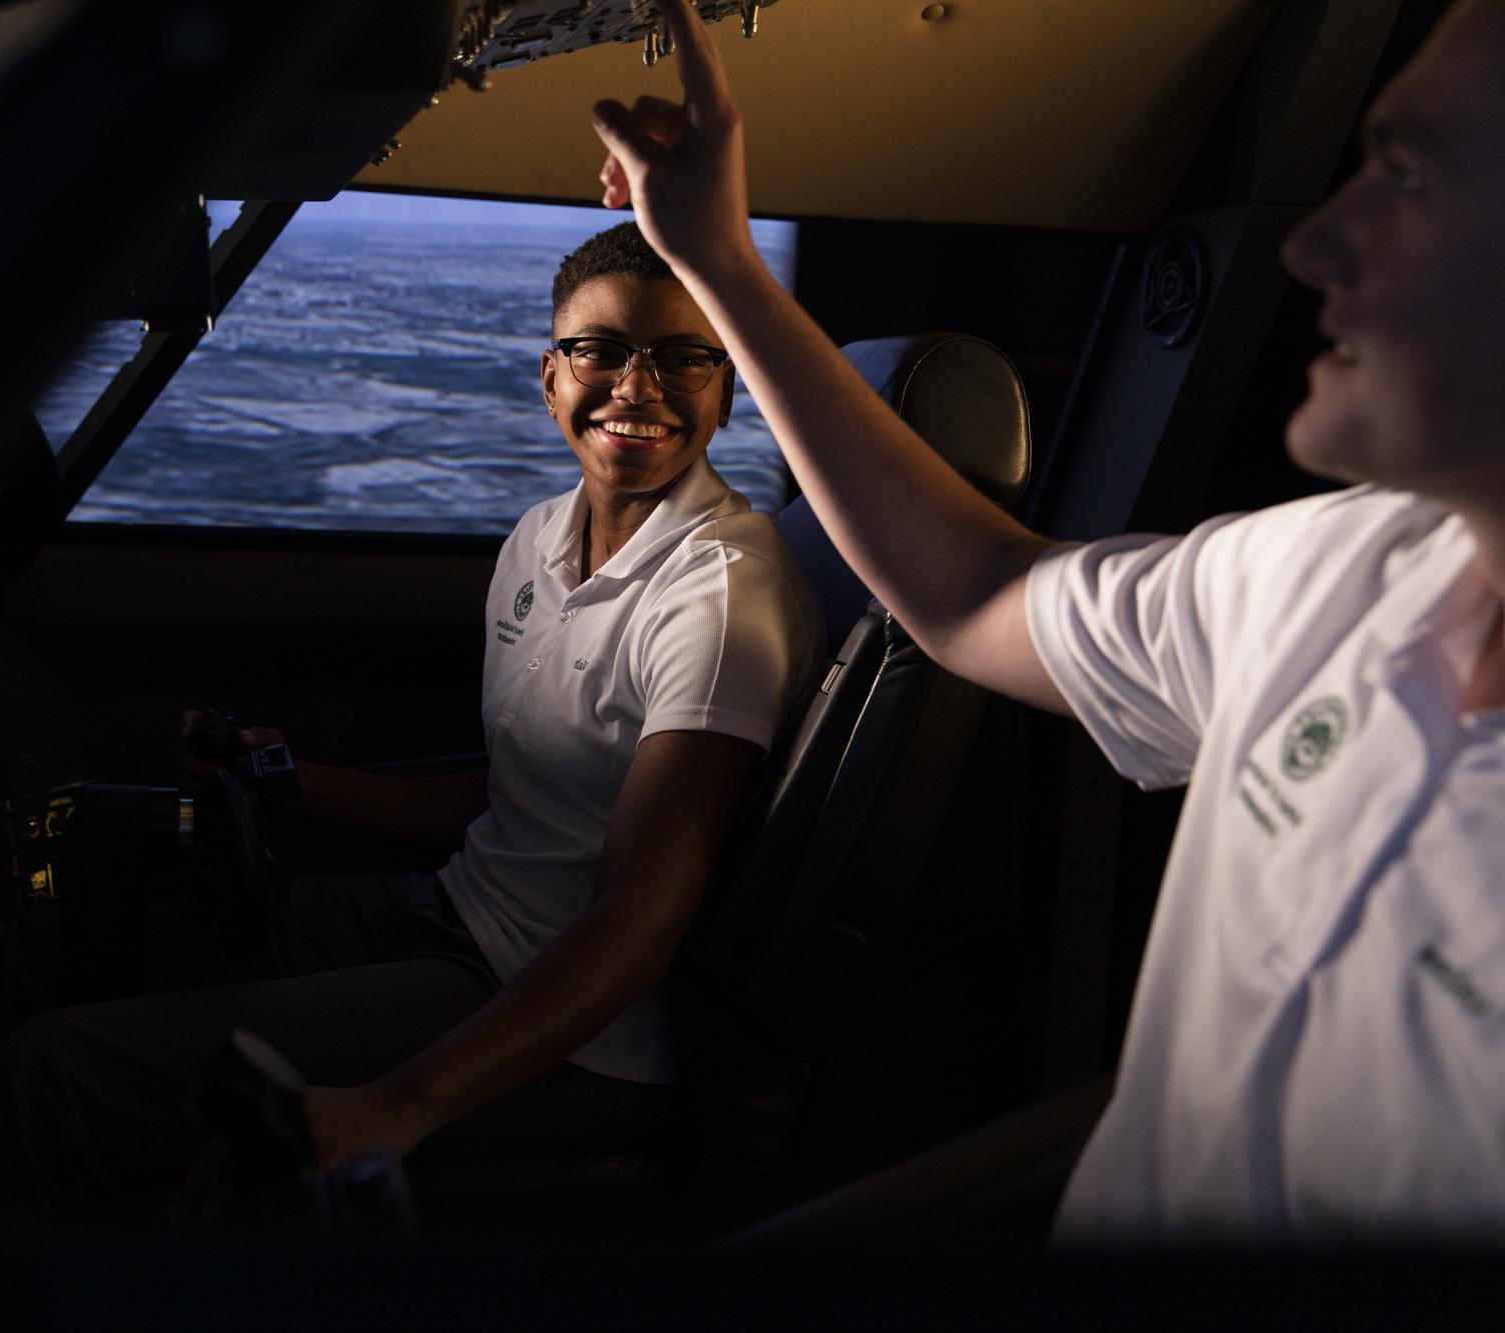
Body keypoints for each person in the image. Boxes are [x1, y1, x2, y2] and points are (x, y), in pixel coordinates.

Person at [588, 0, 1505, 1243]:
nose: (1316, 244)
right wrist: (718, 261)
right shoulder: (1327, 573)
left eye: (1404, 178)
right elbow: (977, 596)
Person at [0, 222, 824, 1222]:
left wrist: (397, 1105)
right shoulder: (536, 543)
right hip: (453, 915)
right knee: (85, 937)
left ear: (726, 391)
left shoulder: (720, 594)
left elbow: (637, 920)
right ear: (549, 378)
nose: (636, 387)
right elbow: (528, 800)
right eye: (600, 350)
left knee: (56, 1077)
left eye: (682, 358)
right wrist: (296, 778)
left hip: (563, 1022)